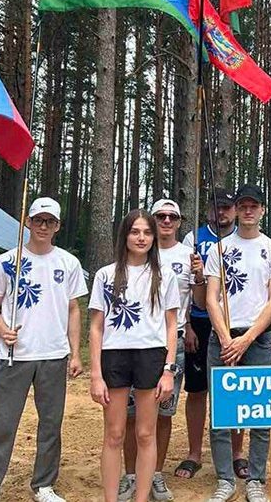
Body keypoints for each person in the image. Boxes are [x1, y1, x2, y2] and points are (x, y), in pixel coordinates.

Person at [0, 197, 87, 502]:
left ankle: (44, 485)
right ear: (28, 222)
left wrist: (75, 352)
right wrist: (2, 330)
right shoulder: (8, 261)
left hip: (53, 354)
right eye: (38, 220)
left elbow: (74, 308)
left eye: (50, 222)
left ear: (58, 226)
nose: (43, 226)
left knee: (51, 424)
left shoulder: (68, 262)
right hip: (15, 356)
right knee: (1, 426)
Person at [88, 210, 180, 502]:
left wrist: (168, 370)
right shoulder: (106, 274)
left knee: (144, 434)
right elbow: (96, 326)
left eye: (147, 233)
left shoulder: (164, 276)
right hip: (114, 355)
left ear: (154, 238)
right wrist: (95, 374)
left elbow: (171, 325)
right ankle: (111, 498)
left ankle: (141, 497)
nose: (141, 238)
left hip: (151, 357)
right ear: (124, 235)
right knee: (114, 433)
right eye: (135, 232)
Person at [204, 183, 271, 502]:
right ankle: (225, 478)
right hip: (223, 338)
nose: (249, 210)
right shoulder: (219, 249)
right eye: (243, 205)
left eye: (255, 205)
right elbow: (211, 298)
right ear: (236, 210)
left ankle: (255, 479)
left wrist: (246, 339)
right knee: (222, 412)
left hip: (258, 340)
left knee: (261, 412)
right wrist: (226, 338)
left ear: (263, 209)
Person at [118, 199, 205, 501]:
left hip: (173, 342)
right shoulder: (140, 250)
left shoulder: (187, 255)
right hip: (136, 342)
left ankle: (153, 474)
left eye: (173, 217)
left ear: (180, 222)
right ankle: (131, 475)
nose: (167, 221)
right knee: (131, 415)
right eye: (161, 216)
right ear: (152, 221)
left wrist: (199, 277)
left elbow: (198, 302)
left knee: (163, 413)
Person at [174, 189, 247, 481]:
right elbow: (186, 287)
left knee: (236, 389)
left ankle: (237, 452)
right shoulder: (194, 238)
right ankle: (194, 452)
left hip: (236, 324)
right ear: (208, 210)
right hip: (202, 321)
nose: (222, 213)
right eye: (217, 207)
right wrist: (189, 324)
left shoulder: (245, 239)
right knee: (197, 388)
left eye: (227, 208)